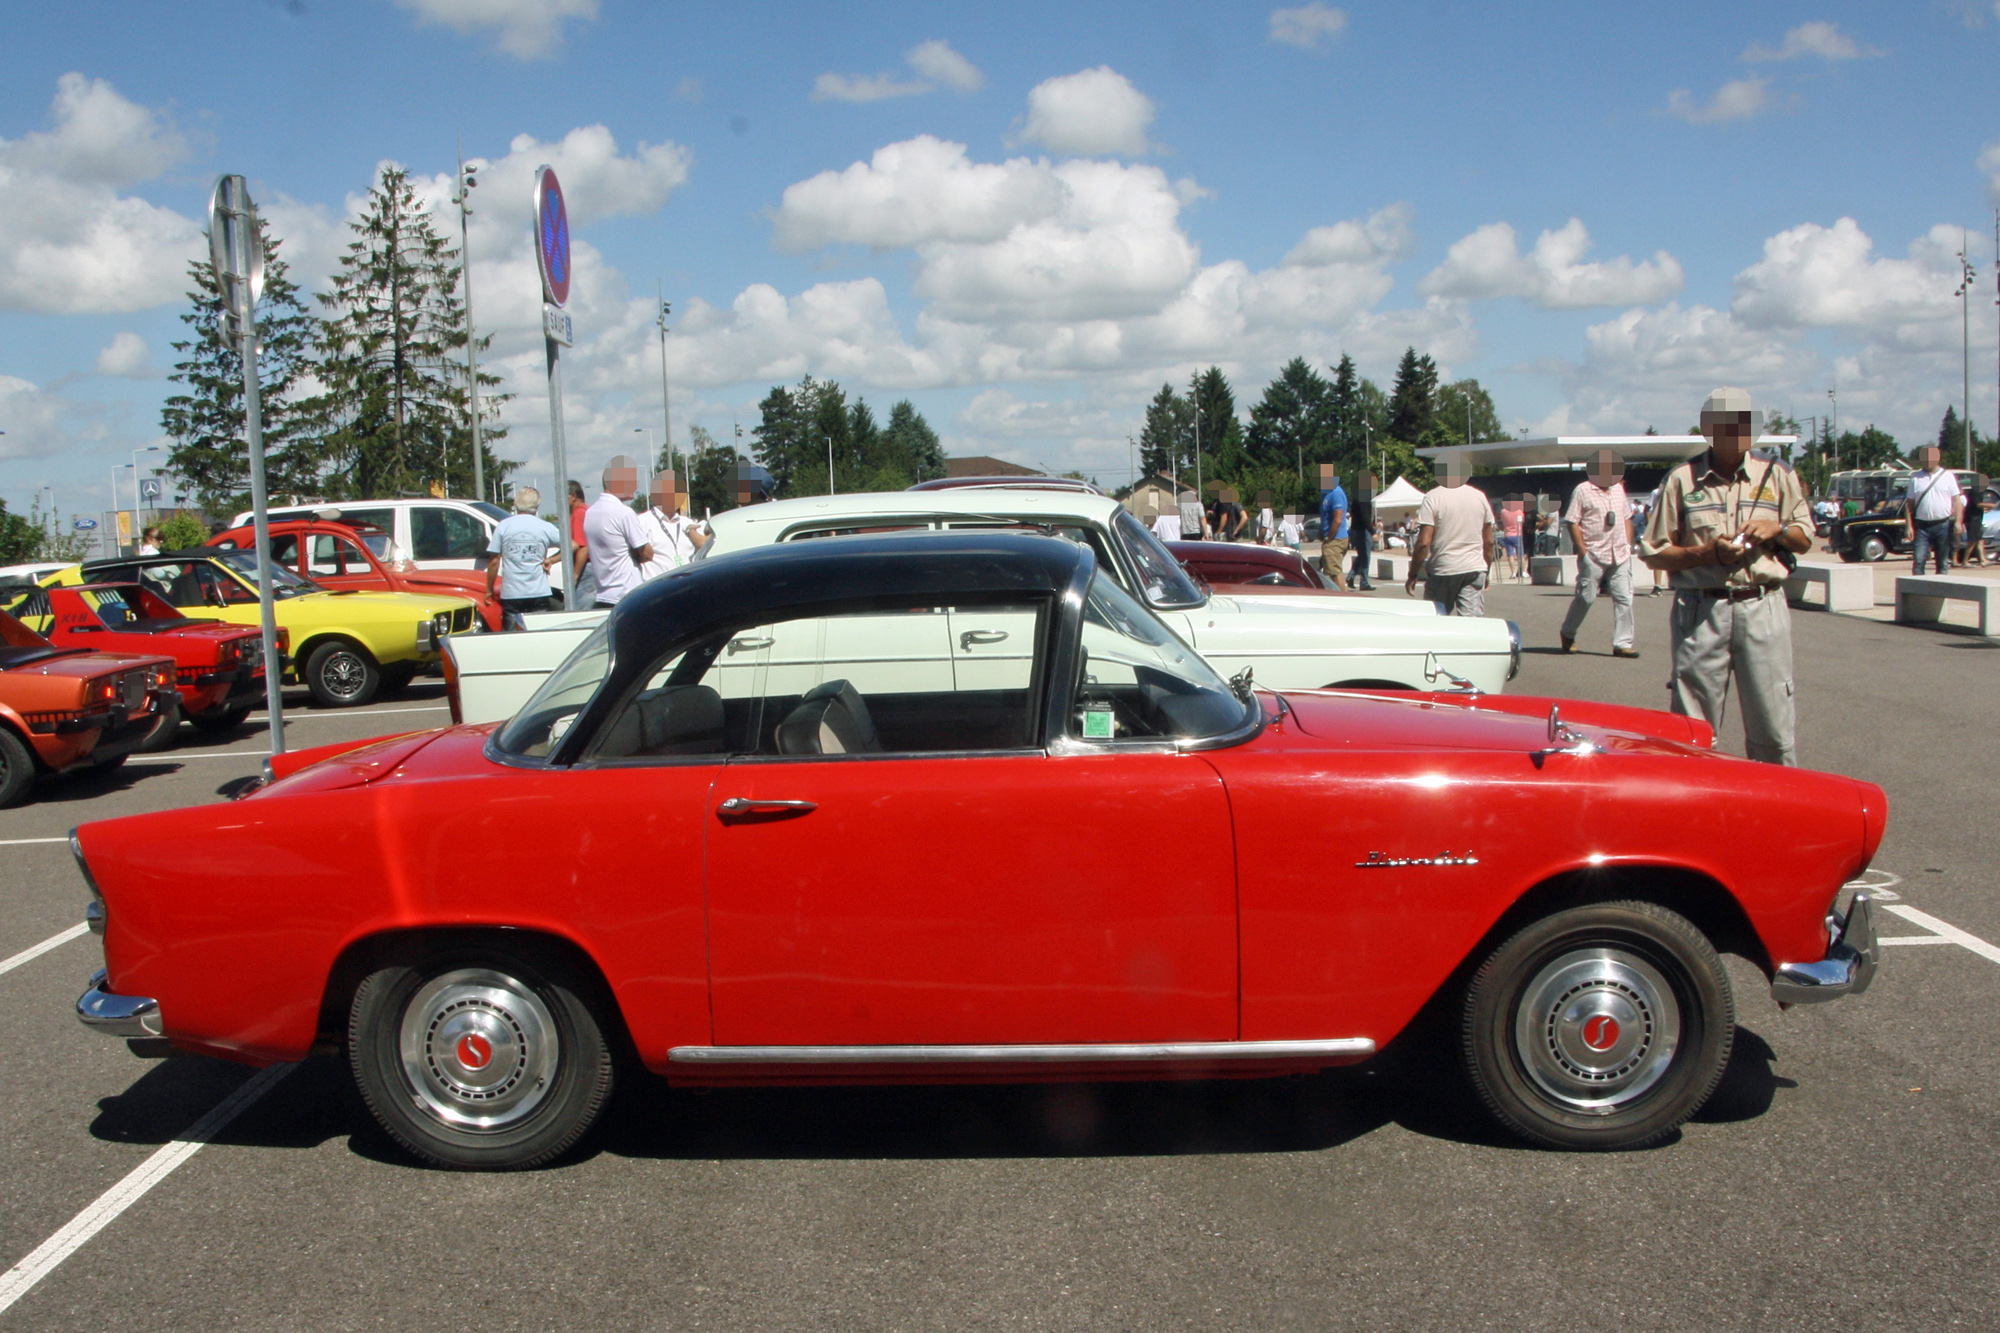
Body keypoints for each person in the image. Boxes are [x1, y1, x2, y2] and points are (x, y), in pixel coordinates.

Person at [1639, 386, 1812, 766]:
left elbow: (1804, 538)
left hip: (1762, 606)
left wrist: (1776, 529)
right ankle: (1695, 815)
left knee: (1773, 728)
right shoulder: (1682, 480)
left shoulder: (1778, 475)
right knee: (1691, 731)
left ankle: (1776, 813)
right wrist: (1708, 553)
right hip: (1701, 609)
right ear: (1707, 428)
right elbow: (1654, 553)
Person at [1558, 450, 1639, 658]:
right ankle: (1568, 632)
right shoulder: (1583, 490)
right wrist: (1583, 551)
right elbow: (1572, 521)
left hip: (1619, 553)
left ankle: (1622, 643)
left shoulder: (1619, 490)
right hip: (1594, 553)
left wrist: (1628, 545)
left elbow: (1627, 517)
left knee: (1624, 598)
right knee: (1586, 597)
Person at [1405, 459, 1496, 616]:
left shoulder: (1433, 497)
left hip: (1443, 568)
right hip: (1473, 568)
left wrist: (1413, 574)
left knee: (1438, 621)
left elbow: (1423, 543)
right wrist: (1486, 570)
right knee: (1471, 624)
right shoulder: (1479, 497)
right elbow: (1489, 541)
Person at [485, 487, 562, 629]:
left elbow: (494, 562)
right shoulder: (545, 527)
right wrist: (552, 560)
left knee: (511, 637)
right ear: (537, 505)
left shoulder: (503, 527)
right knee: (539, 634)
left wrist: (489, 589)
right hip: (539, 591)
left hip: (512, 593)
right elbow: (572, 546)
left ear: (515, 504)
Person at [582, 456, 653, 609]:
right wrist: (633, 551)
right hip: (626, 594)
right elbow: (647, 554)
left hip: (602, 594)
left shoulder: (590, 513)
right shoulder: (623, 513)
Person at [636, 470, 709, 579]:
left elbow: (707, 544)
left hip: (687, 585)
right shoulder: (642, 522)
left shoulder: (687, 523)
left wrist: (691, 532)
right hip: (658, 588)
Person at [1905, 447, 1963, 576]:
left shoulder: (1947, 476)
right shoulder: (1916, 478)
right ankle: (1918, 591)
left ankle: (1940, 591)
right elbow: (1909, 504)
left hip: (1942, 524)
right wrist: (1909, 525)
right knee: (1919, 560)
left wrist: (1958, 522)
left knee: (1942, 562)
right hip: (1921, 526)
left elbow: (1957, 501)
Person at [1318, 466, 1350, 589]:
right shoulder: (1325, 493)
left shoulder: (1335, 493)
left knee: (1334, 573)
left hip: (1336, 539)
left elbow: (1338, 518)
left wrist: (1329, 537)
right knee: (1330, 572)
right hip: (1331, 539)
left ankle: (1343, 600)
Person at [566, 480, 596, 610]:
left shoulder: (578, 514)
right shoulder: (588, 511)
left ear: (573, 496)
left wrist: (575, 575)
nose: (557, 501)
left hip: (585, 568)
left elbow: (582, 548)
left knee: (578, 610)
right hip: (593, 567)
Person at [1349, 475, 1376, 591]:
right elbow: (1365, 517)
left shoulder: (1356, 498)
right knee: (1365, 556)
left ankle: (1351, 575)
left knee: (1361, 555)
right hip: (1362, 530)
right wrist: (1372, 531)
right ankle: (1364, 582)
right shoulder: (1363, 498)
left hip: (1355, 529)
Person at [1498, 499, 1526, 581]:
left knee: (1510, 555)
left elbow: (1502, 521)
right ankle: (1523, 572)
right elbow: (1522, 521)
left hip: (1507, 535)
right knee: (1520, 555)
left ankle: (1513, 573)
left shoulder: (1503, 511)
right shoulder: (1519, 511)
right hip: (1518, 534)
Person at [1961, 484, 1987, 566]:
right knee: (1972, 540)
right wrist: (1991, 505)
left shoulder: (1978, 491)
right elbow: (1978, 504)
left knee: (1979, 540)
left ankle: (1983, 560)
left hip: (1977, 519)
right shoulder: (1975, 491)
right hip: (1972, 519)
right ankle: (1965, 561)